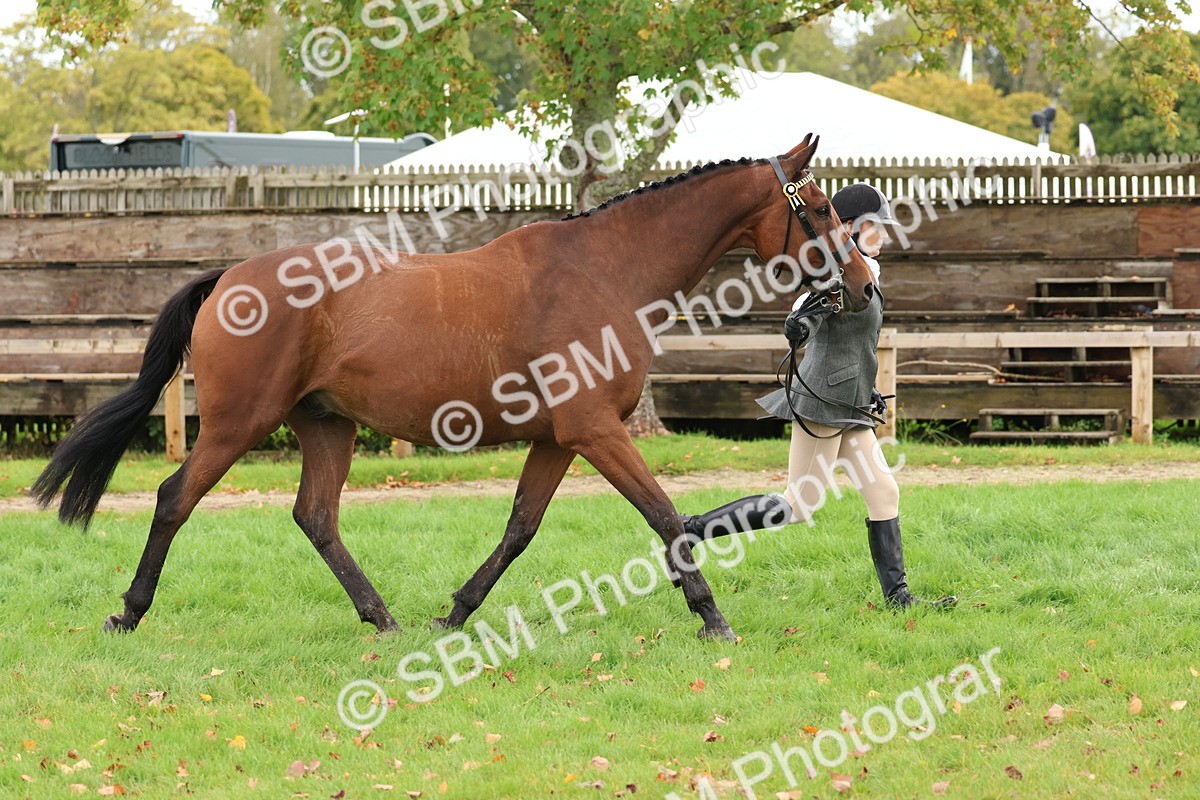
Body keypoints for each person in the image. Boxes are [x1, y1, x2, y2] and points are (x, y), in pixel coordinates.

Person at [679, 183, 956, 609]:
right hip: (824, 402)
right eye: (874, 228)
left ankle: (899, 598)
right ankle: (692, 529)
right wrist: (801, 327)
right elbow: (805, 315)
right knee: (801, 503)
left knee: (884, 492)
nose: (883, 236)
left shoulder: (864, 272)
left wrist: (870, 391)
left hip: (851, 404)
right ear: (846, 229)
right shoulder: (833, 274)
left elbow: (857, 344)